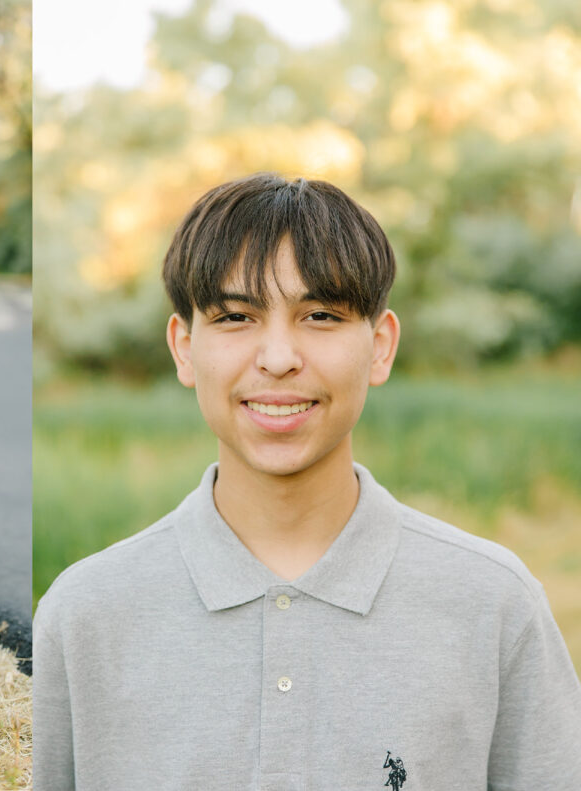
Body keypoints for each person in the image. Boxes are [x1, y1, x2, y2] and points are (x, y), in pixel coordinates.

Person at [32, 173, 581, 790]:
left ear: (380, 347)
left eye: (320, 314)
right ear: (184, 348)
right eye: (236, 316)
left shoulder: (495, 604)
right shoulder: (83, 613)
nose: (277, 357)